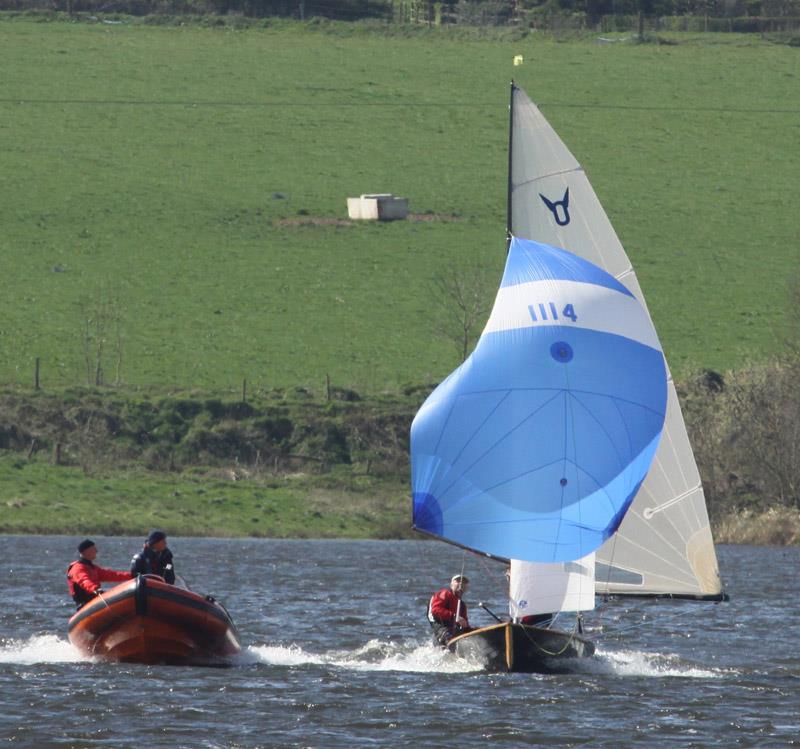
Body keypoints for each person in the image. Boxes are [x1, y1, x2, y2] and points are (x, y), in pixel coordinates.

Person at [66, 539, 133, 609]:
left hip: (95, 601)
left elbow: (112, 575)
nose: (96, 551)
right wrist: (95, 589)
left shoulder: (92, 568)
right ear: (87, 551)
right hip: (85, 605)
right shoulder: (77, 568)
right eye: (94, 549)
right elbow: (84, 581)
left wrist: (132, 575)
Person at [427, 574, 472, 646]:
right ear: (451, 585)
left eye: (464, 582)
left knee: (467, 639)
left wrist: (474, 631)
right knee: (448, 637)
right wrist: (454, 616)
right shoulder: (444, 593)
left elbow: (465, 624)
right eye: (458, 581)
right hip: (440, 627)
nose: (461, 584)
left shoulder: (462, 605)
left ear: (466, 588)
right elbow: (435, 610)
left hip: (453, 630)